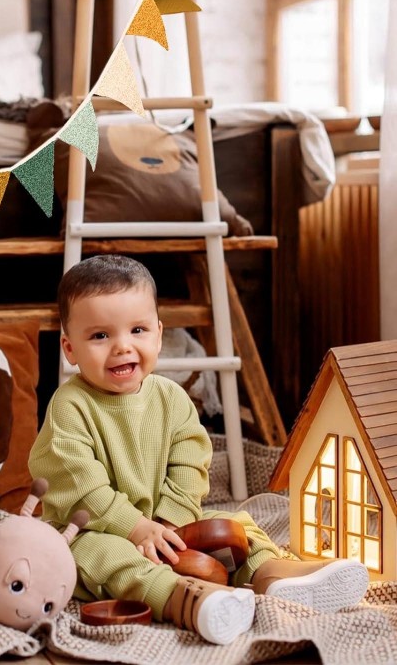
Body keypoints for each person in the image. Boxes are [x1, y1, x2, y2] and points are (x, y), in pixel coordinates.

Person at [28, 254, 369, 645]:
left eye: (137, 330)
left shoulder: (171, 398)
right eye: (100, 336)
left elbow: (190, 461)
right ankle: (190, 602)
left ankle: (270, 574)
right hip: (91, 527)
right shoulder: (69, 407)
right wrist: (135, 528)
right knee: (100, 556)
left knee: (235, 524)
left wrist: (172, 520)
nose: (123, 347)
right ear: (70, 349)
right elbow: (80, 483)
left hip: (164, 525)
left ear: (158, 335)